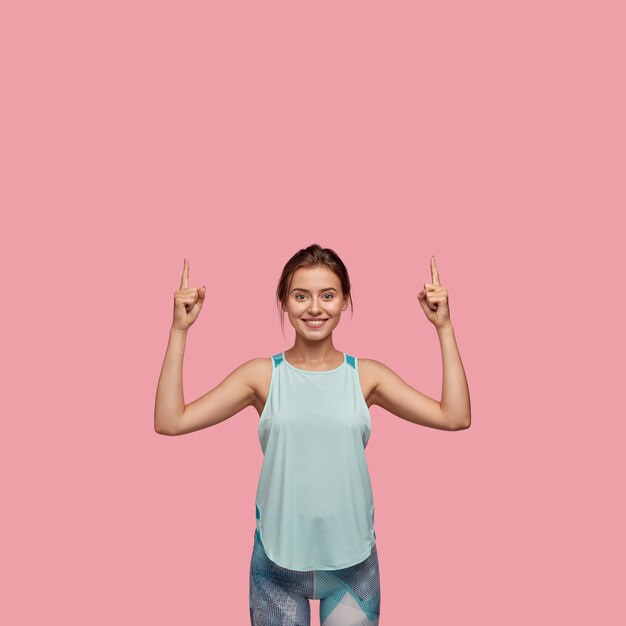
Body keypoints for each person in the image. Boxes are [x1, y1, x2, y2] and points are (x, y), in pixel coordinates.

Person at [154, 243, 471, 626]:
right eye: (301, 296)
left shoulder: (366, 376)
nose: (315, 308)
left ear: (344, 301)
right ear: (284, 303)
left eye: (328, 295)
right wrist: (179, 330)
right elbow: (170, 421)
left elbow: (454, 416)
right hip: (277, 567)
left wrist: (445, 328)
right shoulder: (262, 376)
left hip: (353, 567)